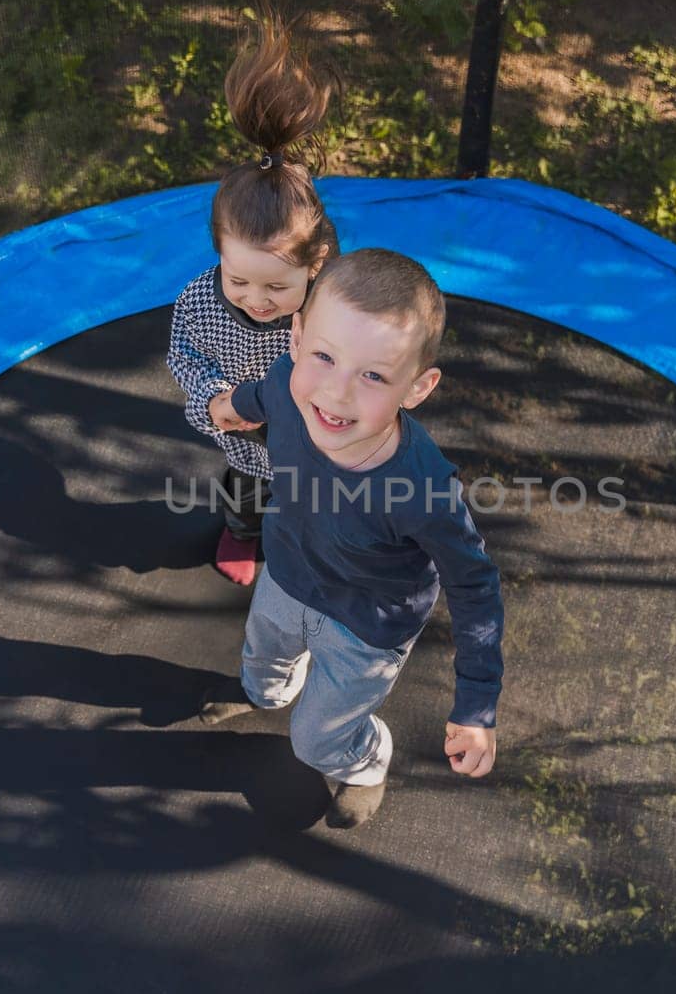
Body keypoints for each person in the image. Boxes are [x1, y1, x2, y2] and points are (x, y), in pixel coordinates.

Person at [198, 249, 504, 829]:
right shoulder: (290, 385)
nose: (336, 394)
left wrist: (476, 705)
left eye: (373, 376)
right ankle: (270, 693)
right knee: (262, 666)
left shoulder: (422, 489)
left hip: (364, 628)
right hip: (287, 576)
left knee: (316, 741)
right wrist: (228, 406)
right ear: (295, 339)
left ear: (417, 387)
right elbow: (262, 396)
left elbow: (475, 585)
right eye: (324, 356)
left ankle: (363, 761)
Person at [165, 5, 338, 586]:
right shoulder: (201, 303)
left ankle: (310, 544)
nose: (255, 300)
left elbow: (366, 360)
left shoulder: (334, 306)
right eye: (238, 279)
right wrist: (213, 400)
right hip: (247, 444)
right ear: (219, 255)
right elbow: (184, 359)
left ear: (314, 266)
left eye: (276, 286)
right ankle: (242, 532)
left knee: (317, 507)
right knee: (247, 498)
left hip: (319, 445)